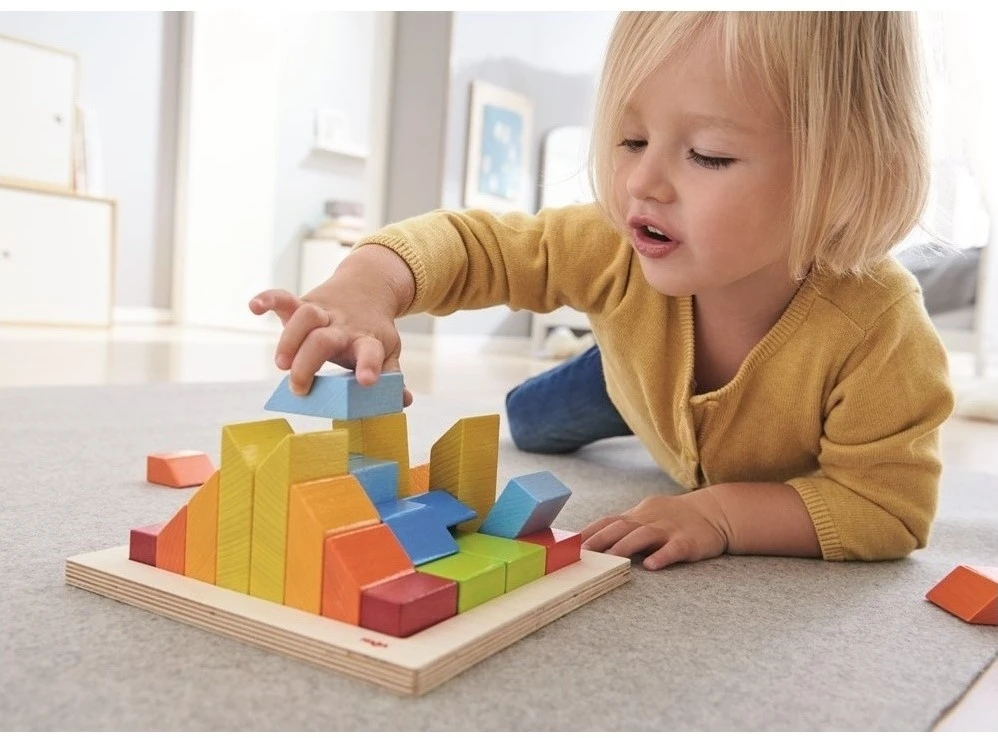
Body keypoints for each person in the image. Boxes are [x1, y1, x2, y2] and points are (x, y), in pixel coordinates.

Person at [249, 11, 954, 570]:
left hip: (700, 411)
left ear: (847, 175)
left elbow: (886, 509)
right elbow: (475, 245)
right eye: (630, 140)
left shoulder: (881, 332)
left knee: (570, 412)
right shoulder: (613, 240)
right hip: (629, 378)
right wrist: (366, 284)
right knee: (529, 422)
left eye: (708, 154)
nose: (642, 183)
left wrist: (719, 514)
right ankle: (603, 367)